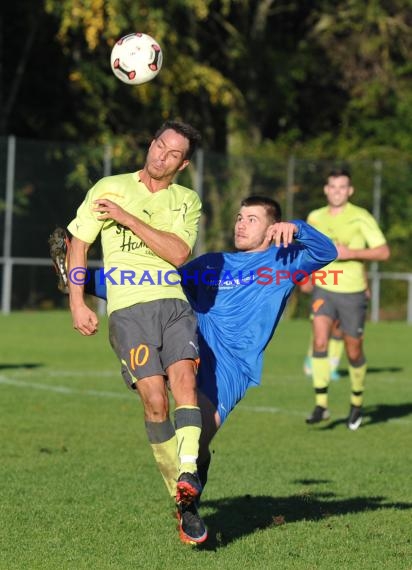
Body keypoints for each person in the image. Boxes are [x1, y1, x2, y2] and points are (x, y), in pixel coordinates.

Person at [51, 195, 337, 542]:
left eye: (252, 219)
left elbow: (327, 252)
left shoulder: (285, 261)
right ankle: (188, 509)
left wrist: (299, 228)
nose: (241, 224)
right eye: (239, 217)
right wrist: (82, 280)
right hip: (191, 344)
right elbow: (154, 284)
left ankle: (189, 496)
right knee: (178, 423)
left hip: (232, 367)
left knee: (198, 443)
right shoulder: (213, 262)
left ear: (272, 227)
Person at [49, 120, 208, 544]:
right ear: (151, 142)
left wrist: (126, 218)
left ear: (184, 163)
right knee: (155, 402)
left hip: (174, 304)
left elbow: (178, 252)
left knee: (185, 382)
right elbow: (78, 244)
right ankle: (183, 499)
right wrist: (77, 301)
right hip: (127, 312)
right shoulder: (109, 186)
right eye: (159, 145)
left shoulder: (186, 200)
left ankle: (189, 468)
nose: (161, 156)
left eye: (173, 153)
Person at [305, 168, 390, 430]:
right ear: (326, 189)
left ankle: (356, 402)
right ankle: (321, 405)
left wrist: (349, 252)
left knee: (354, 350)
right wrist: (305, 275)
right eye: (333, 186)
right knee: (320, 339)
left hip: (352, 292)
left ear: (350, 191)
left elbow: (383, 252)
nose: (337, 191)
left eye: (343, 187)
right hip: (324, 287)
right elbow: (307, 249)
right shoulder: (315, 217)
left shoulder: (360, 217)